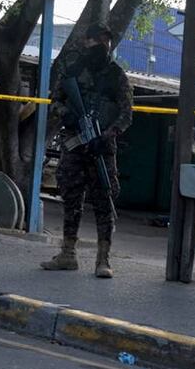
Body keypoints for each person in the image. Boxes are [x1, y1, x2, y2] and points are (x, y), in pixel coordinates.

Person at [42, 22, 133, 278]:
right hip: (74, 146)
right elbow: (56, 101)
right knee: (71, 198)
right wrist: (67, 115)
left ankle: (103, 259)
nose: (102, 46)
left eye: (106, 42)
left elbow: (126, 114)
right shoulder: (73, 71)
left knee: (104, 198)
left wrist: (108, 134)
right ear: (87, 41)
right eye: (97, 41)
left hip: (102, 147)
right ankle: (67, 254)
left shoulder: (116, 75)